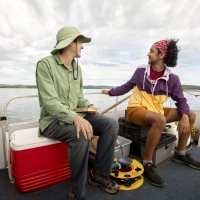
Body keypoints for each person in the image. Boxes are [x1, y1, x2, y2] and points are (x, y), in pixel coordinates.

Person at [102, 39, 200, 187]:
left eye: (152, 51)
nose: (148, 53)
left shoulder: (172, 78)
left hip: (155, 111)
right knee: (160, 119)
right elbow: (127, 86)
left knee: (191, 115)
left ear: (162, 55)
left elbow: (181, 100)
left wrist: (185, 116)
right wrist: (110, 92)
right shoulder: (141, 70)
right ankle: (147, 163)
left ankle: (181, 153)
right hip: (136, 109)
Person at [36, 26, 119, 200]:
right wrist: (74, 118)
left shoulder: (77, 69)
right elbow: (50, 103)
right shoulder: (45, 65)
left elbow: (79, 98)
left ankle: (99, 174)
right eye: (80, 41)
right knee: (81, 135)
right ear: (70, 43)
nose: (82, 46)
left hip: (75, 115)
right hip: (52, 121)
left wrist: (88, 105)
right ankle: (77, 192)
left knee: (110, 124)